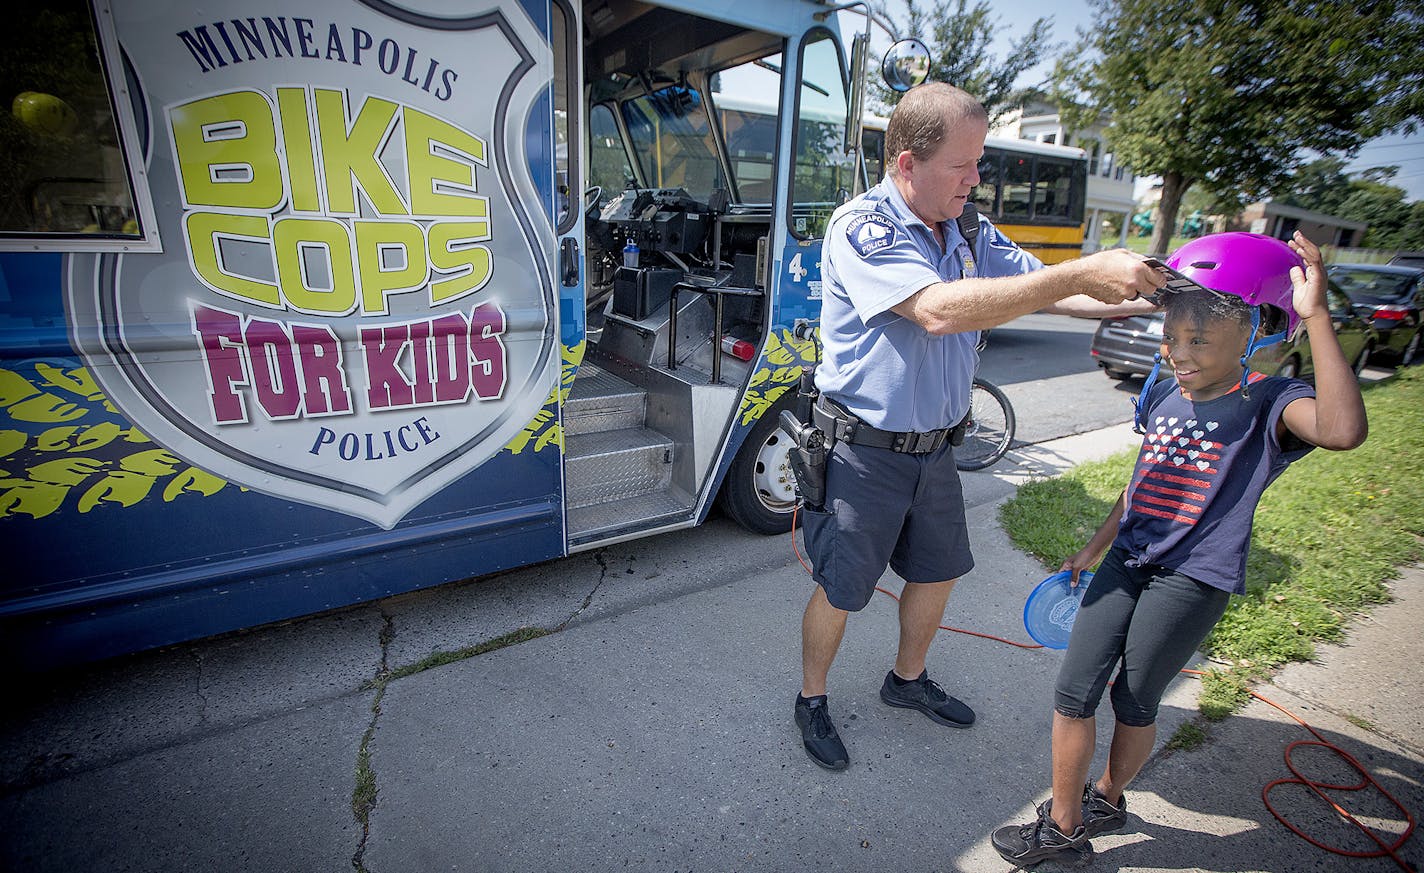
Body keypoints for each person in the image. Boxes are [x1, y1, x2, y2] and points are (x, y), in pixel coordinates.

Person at [794, 81, 1167, 771]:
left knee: (936, 575)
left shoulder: (966, 226)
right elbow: (937, 309)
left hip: (936, 452)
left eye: (980, 159)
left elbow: (1047, 286)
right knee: (842, 586)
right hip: (864, 451)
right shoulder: (862, 225)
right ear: (907, 164)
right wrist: (1081, 273)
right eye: (964, 164)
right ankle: (812, 698)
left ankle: (905, 680)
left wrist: (1141, 295)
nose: (978, 177)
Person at [990, 230, 1368, 866]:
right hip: (1126, 561)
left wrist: (1319, 316)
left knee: (1134, 701)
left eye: (1198, 341)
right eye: (1171, 336)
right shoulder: (1165, 390)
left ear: (1252, 335)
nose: (1177, 352)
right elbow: (1145, 477)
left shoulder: (1271, 403)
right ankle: (1064, 827)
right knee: (1073, 691)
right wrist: (1094, 545)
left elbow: (1342, 429)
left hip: (1192, 578)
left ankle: (1108, 797)